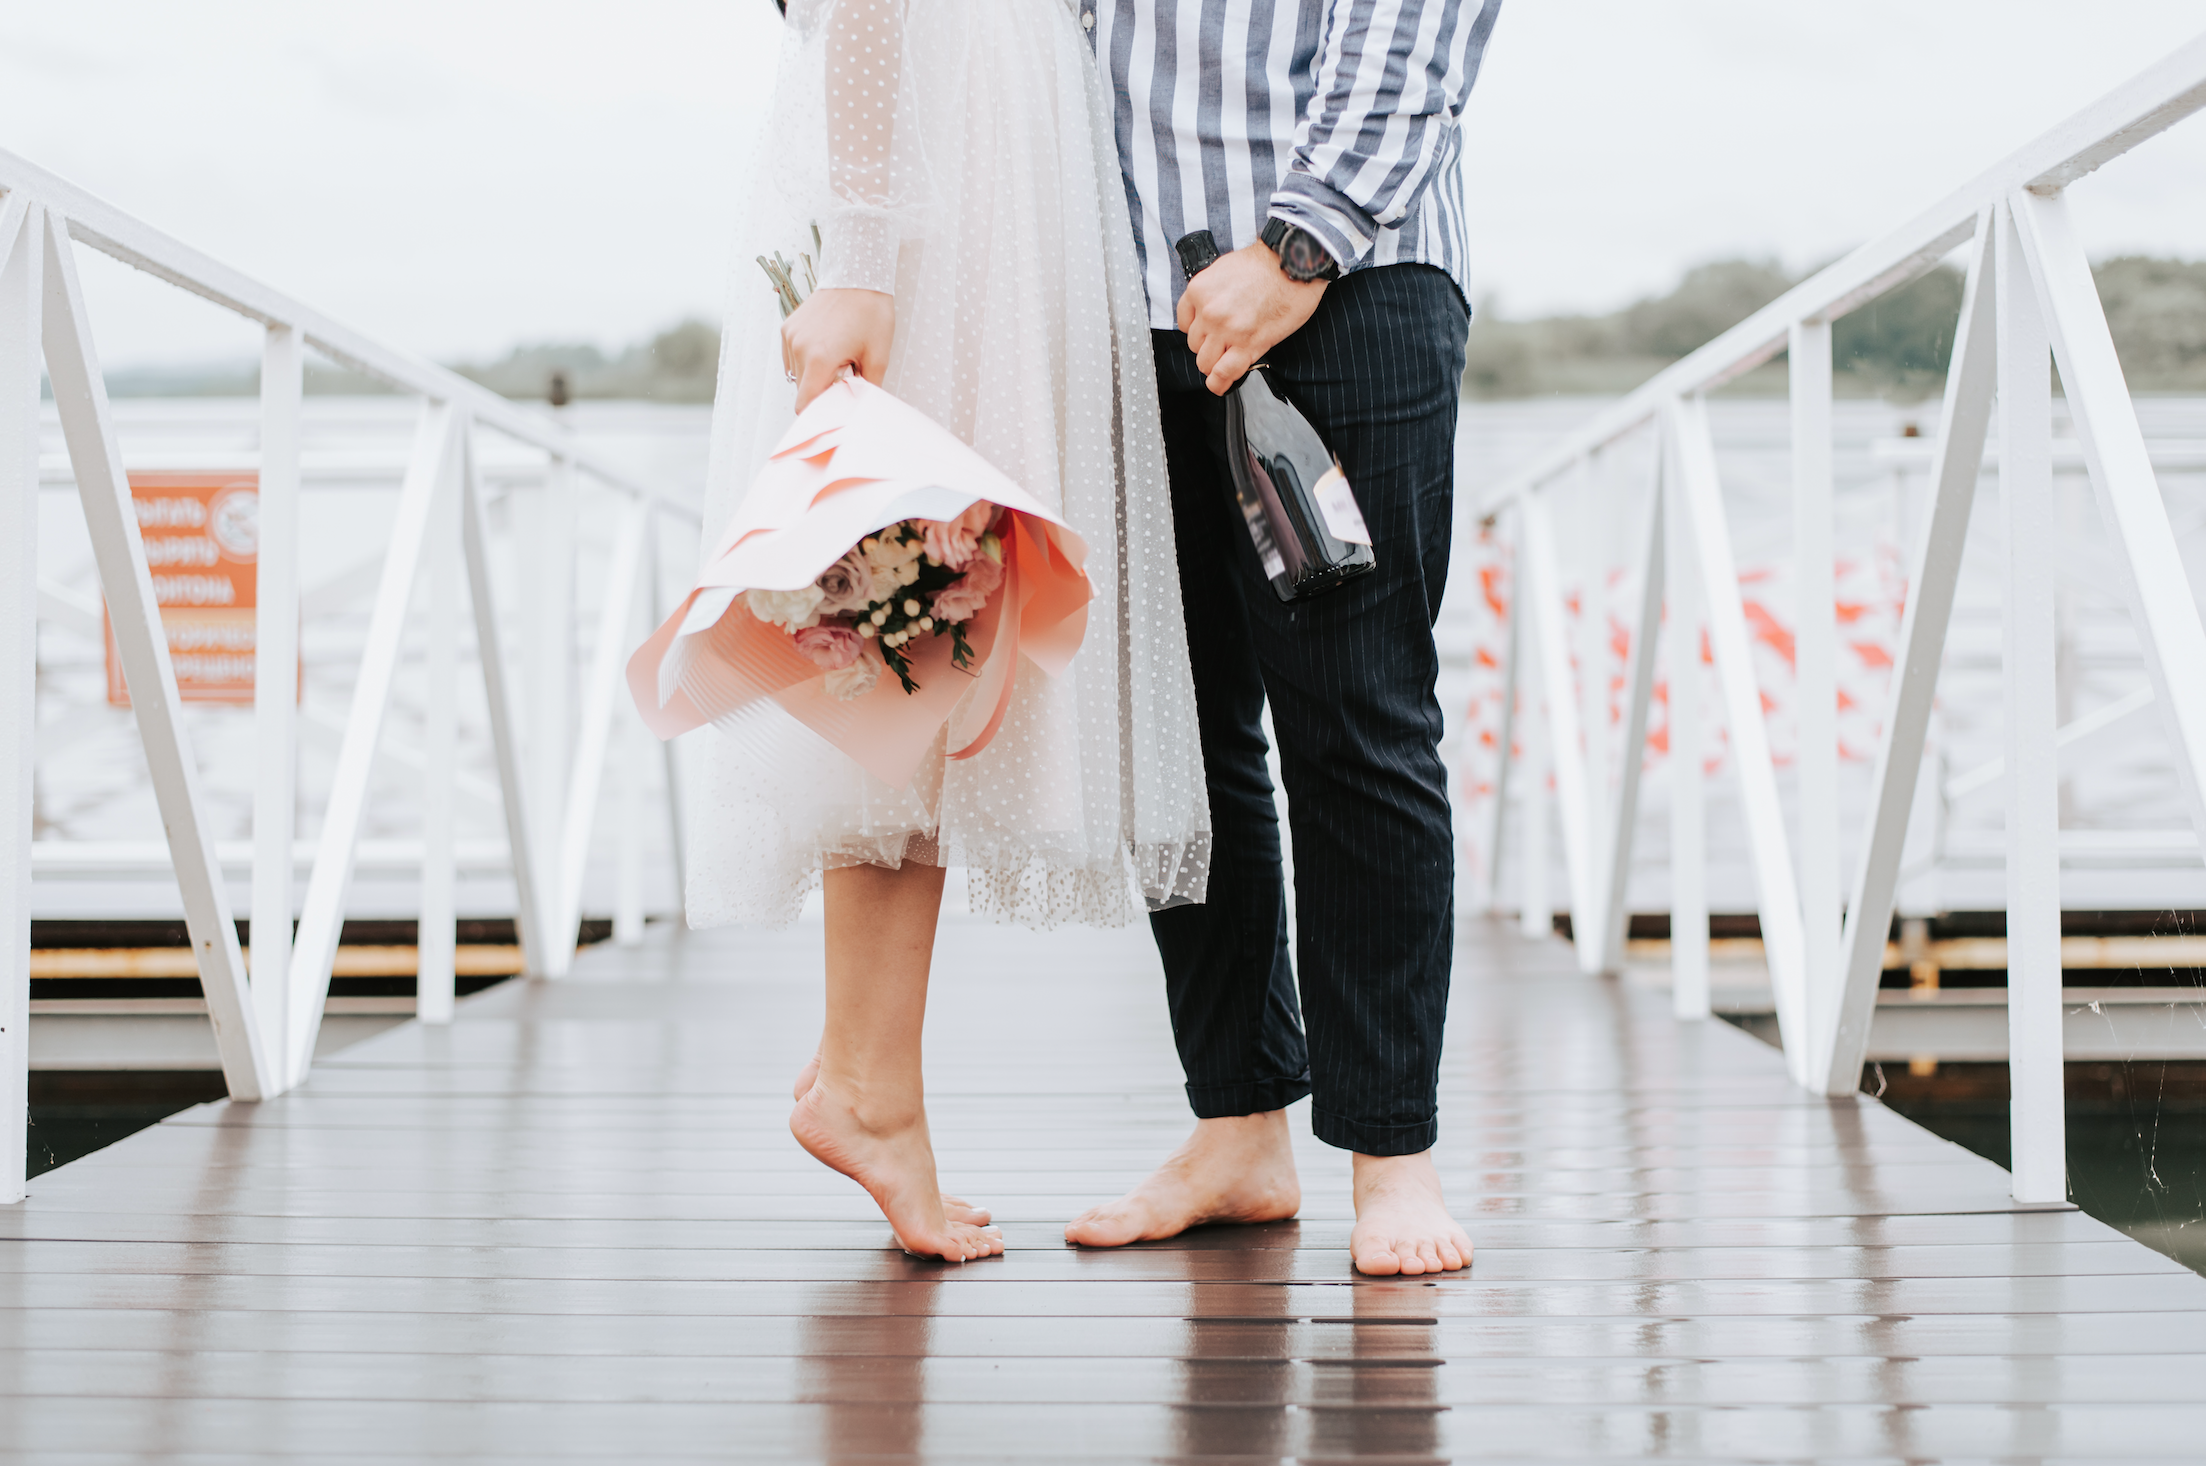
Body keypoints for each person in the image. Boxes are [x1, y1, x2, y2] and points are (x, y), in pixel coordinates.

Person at [694, 0, 1211, 1262]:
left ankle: (863, 1069)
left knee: (923, 614)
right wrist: (864, 250)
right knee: (905, 609)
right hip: (940, 151)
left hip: (972, 133)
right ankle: (868, 1084)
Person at [1063, 0, 1505, 1277]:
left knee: (1358, 723)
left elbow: (1416, 29)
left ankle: (1391, 1153)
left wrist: (1295, 246)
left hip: (1342, 280)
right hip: (1121, 301)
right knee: (1179, 731)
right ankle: (1238, 1128)